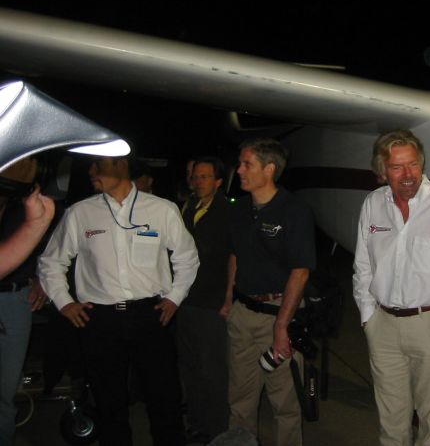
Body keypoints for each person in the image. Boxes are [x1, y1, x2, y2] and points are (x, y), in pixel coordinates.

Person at [37, 155, 199, 446]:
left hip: (151, 314)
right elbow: (51, 262)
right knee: (108, 401)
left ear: (121, 165)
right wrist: (64, 302)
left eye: (98, 165)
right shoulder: (80, 213)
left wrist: (174, 298)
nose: (91, 171)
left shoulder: (162, 210)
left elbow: (187, 259)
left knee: (165, 399)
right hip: (100, 320)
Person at [353, 129, 430, 446]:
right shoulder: (373, 203)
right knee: (391, 421)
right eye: (397, 167)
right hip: (383, 326)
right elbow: (362, 264)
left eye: (413, 164)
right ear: (382, 170)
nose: (408, 174)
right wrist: (368, 317)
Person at [222, 138, 315, 446]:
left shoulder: (294, 210)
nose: (239, 170)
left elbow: (300, 271)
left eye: (247, 164)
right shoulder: (240, 209)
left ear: (270, 169)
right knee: (240, 400)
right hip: (243, 314)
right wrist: (228, 302)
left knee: (285, 403)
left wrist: (282, 327)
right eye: (240, 163)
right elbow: (235, 257)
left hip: (278, 316)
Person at [178, 156, 234, 443]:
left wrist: (228, 298)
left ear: (218, 181)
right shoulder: (188, 209)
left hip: (211, 304)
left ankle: (217, 429)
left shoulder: (227, 212)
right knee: (190, 367)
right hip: (185, 301)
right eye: (195, 177)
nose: (198, 182)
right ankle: (197, 422)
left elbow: (233, 259)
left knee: (213, 370)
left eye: (204, 177)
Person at [0, 158, 54, 443]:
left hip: (14, 298)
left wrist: (42, 279)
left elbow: (46, 252)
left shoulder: (30, 203)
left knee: (5, 388)